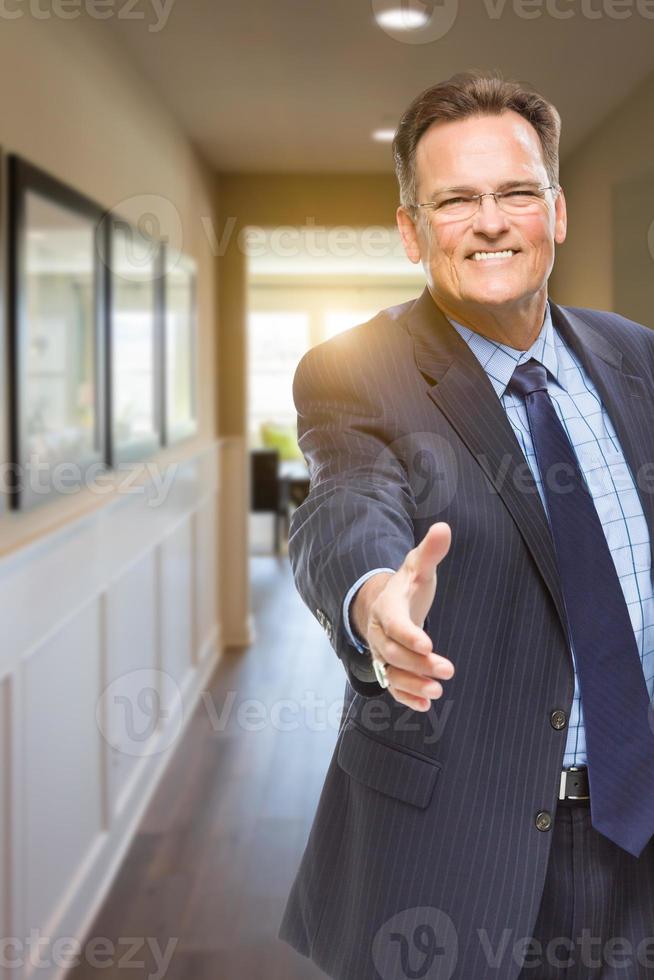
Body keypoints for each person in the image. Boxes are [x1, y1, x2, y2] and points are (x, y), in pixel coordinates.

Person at [278, 70, 654, 980]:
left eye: (517, 192)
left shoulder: (636, 355)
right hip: (473, 852)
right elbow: (345, 501)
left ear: (555, 212)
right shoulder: (356, 370)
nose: (491, 221)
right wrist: (374, 603)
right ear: (412, 230)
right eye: (456, 200)